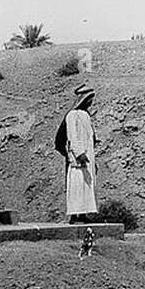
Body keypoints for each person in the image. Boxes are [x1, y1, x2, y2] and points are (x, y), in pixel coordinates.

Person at [63, 82, 97, 224]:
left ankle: (83, 214)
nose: (90, 102)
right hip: (78, 158)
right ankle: (74, 215)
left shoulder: (85, 115)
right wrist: (79, 153)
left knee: (86, 186)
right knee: (77, 185)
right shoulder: (72, 115)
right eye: (89, 99)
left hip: (88, 156)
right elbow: (72, 136)